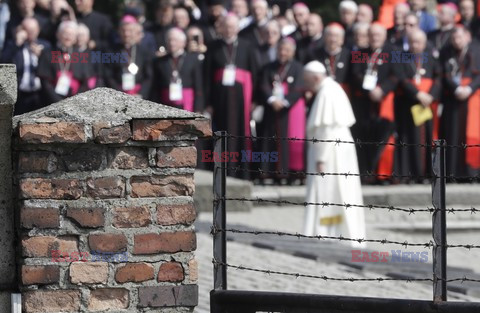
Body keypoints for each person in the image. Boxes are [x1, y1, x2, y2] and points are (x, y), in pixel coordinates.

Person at [302, 60, 365, 246]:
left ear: (315, 77)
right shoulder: (332, 88)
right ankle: (338, 231)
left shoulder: (327, 92)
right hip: (338, 148)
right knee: (341, 192)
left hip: (330, 152)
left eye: (307, 81)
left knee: (330, 193)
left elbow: (326, 129)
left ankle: (329, 232)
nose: (307, 85)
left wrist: (321, 158)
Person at [204, 13, 259, 179]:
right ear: (221, 28)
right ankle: (222, 168)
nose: (229, 29)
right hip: (220, 101)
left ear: (237, 27)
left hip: (242, 100)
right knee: (221, 132)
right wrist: (208, 103)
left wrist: (255, 100)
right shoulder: (213, 47)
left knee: (241, 135)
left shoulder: (247, 46)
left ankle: (241, 171)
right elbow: (206, 76)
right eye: (226, 26)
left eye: (232, 26)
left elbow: (255, 74)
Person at [350, 23, 398, 183]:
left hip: (384, 104)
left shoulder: (392, 53)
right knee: (363, 139)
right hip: (364, 104)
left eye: (378, 35)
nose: (375, 38)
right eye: (372, 35)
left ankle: (382, 174)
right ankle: (365, 174)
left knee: (383, 140)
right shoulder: (360, 53)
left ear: (384, 36)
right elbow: (355, 75)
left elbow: (396, 76)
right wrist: (368, 90)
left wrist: (381, 90)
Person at [256, 38, 306, 182]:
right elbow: (263, 85)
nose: (283, 53)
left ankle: (283, 174)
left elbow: (298, 88)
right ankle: (265, 172)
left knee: (285, 142)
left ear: (293, 52)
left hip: (288, 111)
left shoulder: (298, 67)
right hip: (271, 108)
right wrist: (272, 100)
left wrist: (284, 102)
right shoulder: (268, 67)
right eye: (281, 49)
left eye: (287, 50)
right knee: (267, 141)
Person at [394, 30, 441, 182]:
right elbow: (401, 79)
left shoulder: (431, 57)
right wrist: (417, 94)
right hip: (409, 104)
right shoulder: (402, 56)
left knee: (427, 138)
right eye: (413, 41)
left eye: (419, 42)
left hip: (427, 104)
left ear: (425, 43)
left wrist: (430, 95)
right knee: (410, 138)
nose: (415, 45)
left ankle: (426, 173)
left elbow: (439, 78)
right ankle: (410, 174)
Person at [439, 25, 480, 177]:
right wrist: (456, 89)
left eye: (459, 37)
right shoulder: (446, 53)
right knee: (454, 134)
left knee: (472, 135)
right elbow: (445, 74)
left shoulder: (476, 51)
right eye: (454, 38)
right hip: (454, 99)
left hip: (472, 98)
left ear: (467, 37)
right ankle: (454, 172)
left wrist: (469, 88)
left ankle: (472, 172)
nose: (457, 41)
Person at [37, 20, 98, 104]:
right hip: (51, 102)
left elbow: (85, 82)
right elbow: (45, 83)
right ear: (58, 34)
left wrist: (74, 100)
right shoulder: (48, 53)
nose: (68, 37)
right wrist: (58, 102)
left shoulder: (80, 55)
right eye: (65, 33)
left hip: (75, 102)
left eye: (71, 34)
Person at [1, 17, 50, 115]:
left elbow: (52, 68)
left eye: (33, 30)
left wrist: (41, 56)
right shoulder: (13, 45)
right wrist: (17, 44)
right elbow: (3, 62)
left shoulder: (46, 45)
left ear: (38, 30)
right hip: (20, 93)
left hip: (39, 93)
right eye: (28, 30)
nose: (31, 33)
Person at [151, 27, 204, 112]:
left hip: (186, 104)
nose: (172, 43)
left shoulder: (193, 59)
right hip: (165, 105)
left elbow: (198, 86)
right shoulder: (159, 62)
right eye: (169, 40)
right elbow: (156, 87)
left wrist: (198, 108)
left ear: (183, 42)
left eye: (174, 40)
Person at [104, 15, 152, 98]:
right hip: (117, 94)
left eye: (130, 31)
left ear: (135, 32)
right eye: (123, 31)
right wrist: (118, 93)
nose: (126, 34)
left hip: (138, 95)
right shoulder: (111, 51)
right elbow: (108, 75)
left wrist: (141, 93)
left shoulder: (144, 51)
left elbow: (148, 76)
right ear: (119, 31)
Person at [312, 23, 350, 93]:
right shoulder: (315, 54)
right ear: (325, 37)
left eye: (336, 36)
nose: (333, 39)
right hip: (321, 93)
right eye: (330, 35)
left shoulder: (350, 55)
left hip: (343, 94)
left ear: (342, 39)